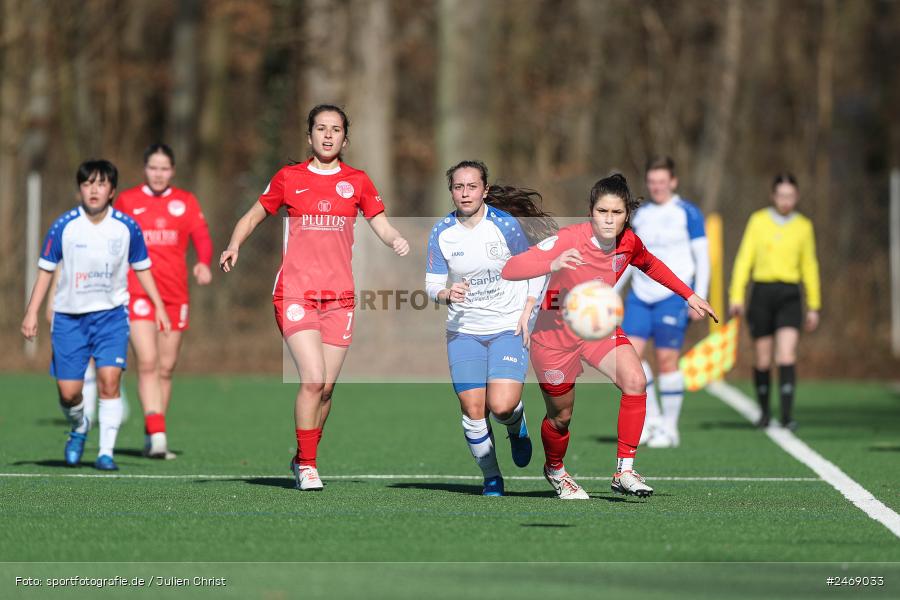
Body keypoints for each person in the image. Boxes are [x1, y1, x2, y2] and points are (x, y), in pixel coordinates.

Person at [220, 104, 409, 491]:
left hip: (339, 298)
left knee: (326, 389)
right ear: (309, 136)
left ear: (344, 137)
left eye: (335, 129)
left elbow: (382, 225)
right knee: (312, 379)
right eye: (320, 128)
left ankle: (302, 456)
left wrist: (397, 240)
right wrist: (234, 244)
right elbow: (254, 214)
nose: (327, 135)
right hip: (295, 292)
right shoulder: (289, 178)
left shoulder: (357, 181)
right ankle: (308, 465)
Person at [502, 173, 717, 500]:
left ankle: (625, 471)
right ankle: (555, 470)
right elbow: (511, 268)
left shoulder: (628, 241)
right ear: (591, 211)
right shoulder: (568, 239)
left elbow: (651, 264)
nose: (608, 219)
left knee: (635, 380)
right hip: (552, 337)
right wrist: (553, 261)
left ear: (626, 215)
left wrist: (688, 295)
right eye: (602, 211)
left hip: (597, 328)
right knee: (561, 417)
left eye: (616, 213)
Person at [21, 159, 170, 471]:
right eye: (88, 184)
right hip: (69, 319)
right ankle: (78, 427)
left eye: (100, 184)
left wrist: (159, 306)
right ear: (80, 190)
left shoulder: (126, 227)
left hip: (111, 318)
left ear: (112, 190)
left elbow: (142, 269)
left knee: (109, 380)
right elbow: (46, 271)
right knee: (69, 393)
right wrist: (32, 312)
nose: (94, 190)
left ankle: (106, 452)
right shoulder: (64, 226)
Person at [425, 160, 555, 496]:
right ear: (451, 191)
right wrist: (444, 293)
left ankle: (516, 424)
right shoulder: (441, 233)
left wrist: (529, 310)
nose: (464, 193)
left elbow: (536, 268)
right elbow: (431, 285)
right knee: (472, 409)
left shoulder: (505, 225)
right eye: (458, 186)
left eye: (471, 186)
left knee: (500, 406)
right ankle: (492, 476)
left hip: (506, 327)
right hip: (463, 331)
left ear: (484, 190)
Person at [116, 143, 213, 459]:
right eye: (153, 168)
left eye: (164, 168)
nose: (158, 174)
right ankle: (158, 433)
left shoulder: (185, 202)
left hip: (174, 295)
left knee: (166, 367)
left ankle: (151, 428)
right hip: (138, 292)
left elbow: (201, 236)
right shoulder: (129, 201)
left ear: (172, 171)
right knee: (147, 361)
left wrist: (203, 262)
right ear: (145, 169)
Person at [615, 156, 709, 448]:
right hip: (640, 297)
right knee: (629, 360)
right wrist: (612, 289)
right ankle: (651, 420)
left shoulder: (688, 213)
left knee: (668, 360)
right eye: (652, 181)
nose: (656, 187)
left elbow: (702, 259)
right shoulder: (639, 215)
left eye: (662, 181)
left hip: (673, 296)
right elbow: (631, 257)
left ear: (673, 182)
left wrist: (698, 296)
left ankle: (670, 428)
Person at [728, 172, 820, 430]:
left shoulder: (804, 226)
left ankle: (788, 415)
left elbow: (810, 265)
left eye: (790, 196)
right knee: (763, 359)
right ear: (773, 196)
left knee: (786, 354)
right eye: (781, 196)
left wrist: (814, 304)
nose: (786, 201)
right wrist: (736, 295)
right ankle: (765, 412)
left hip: (790, 294)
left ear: (797, 197)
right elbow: (744, 259)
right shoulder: (758, 221)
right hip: (762, 294)